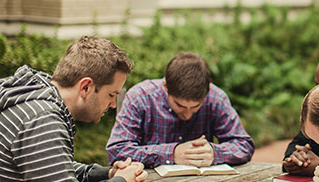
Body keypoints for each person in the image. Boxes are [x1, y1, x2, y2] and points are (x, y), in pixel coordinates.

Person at [0, 36, 147, 182]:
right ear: (85, 87)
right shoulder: (43, 121)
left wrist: (107, 173)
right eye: (111, 94)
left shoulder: (36, 101)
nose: (113, 104)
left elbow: (50, 169)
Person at [107, 52, 254, 168]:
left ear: (207, 91)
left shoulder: (216, 98)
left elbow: (244, 145)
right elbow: (117, 150)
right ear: (165, 87)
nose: (188, 114)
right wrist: (172, 154)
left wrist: (216, 153)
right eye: (180, 106)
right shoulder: (140, 97)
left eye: (196, 107)